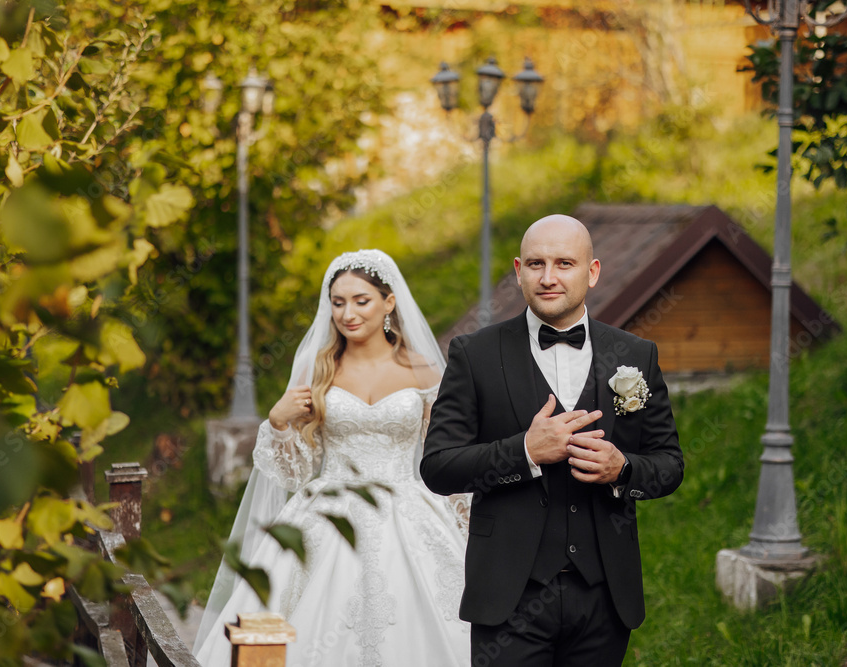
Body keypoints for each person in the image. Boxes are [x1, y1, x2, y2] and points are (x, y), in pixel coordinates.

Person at [420, 214, 684, 666]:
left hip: (604, 597)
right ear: (518, 271)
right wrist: (523, 452)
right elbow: (439, 467)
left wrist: (622, 470)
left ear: (592, 271)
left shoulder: (636, 356)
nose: (549, 278)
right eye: (537, 264)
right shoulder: (474, 354)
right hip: (508, 596)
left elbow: (669, 464)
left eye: (564, 263)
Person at [194, 249, 471, 667]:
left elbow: (445, 457)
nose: (348, 313)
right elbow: (296, 471)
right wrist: (278, 423)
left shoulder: (425, 370)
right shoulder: (317, 367)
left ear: (389, 303)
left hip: (410, 511)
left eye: (361, 301)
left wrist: (462, 522)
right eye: (338, 302)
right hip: (327, 512)